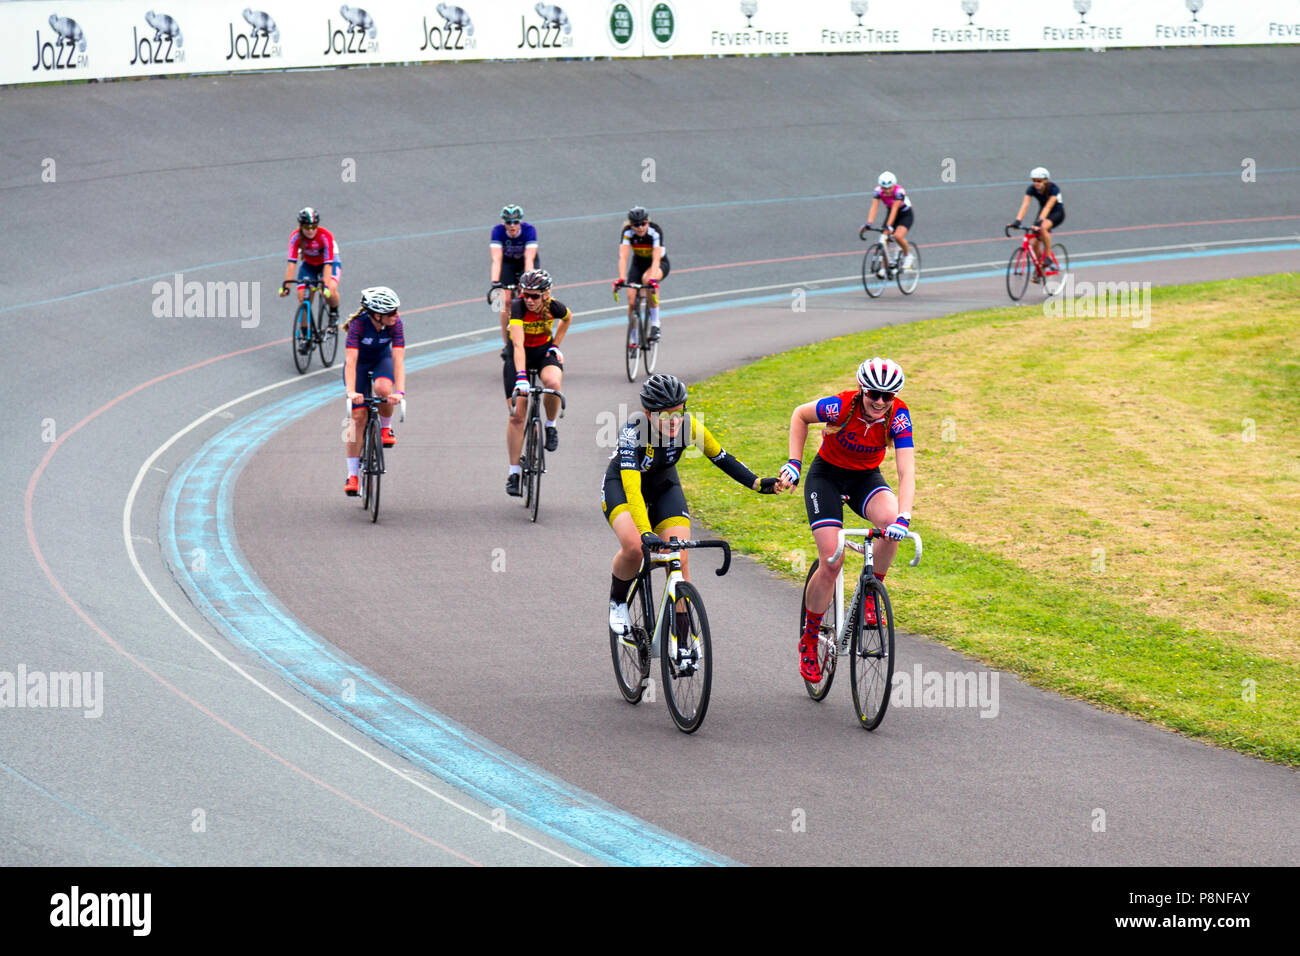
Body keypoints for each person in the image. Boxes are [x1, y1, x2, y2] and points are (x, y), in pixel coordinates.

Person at [605, 373, 780, 636]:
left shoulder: (689, 426)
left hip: (664, 486)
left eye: (679, 413)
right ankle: (618, 601)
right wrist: (645, 531)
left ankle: (682, 645)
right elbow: (633, 490)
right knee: (634, 548)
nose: (674, 422)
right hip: (623, 487)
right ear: (648, 413)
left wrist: (756, 483)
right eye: (666, 416)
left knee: (679, 556)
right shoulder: (633, 433)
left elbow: (721, 458)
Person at [777, 357, 916, 683]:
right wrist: (794, 463)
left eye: (888, 396)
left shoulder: (898, 416)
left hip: (865, 478)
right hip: (826, 478)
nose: (880, 402)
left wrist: (905, 517)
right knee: (832, 561)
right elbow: (800, 414)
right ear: (861, 389)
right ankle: (810, 639)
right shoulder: (839, 407)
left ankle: (872, 591)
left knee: (890, 522)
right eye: (873, 394)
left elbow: (906, 469)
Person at [504, 270, 569, 496]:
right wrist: (521, 377)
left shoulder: (554, 307)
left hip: (543, 352)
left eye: (535, 296)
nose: (529, 300)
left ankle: (550, 427)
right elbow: (518, 345)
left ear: (546, 294)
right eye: (526, 295)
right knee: (517, 415)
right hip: (519, 357)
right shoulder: (517, 307)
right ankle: (513, 473)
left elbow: (568, 318)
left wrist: (556, 345)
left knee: (552, 382)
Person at [341, 287, 405, 496]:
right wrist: (351, 391)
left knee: (383, 389)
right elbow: (351, 361)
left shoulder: (396, 325)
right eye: (391, 313)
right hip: (359, 365)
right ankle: (352, 476)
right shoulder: (358, 325)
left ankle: (386, 428)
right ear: (377, 315)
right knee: (357, 417)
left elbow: (398, 360)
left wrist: (400, 392)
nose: (396, 316)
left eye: (396, 311)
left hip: (381, 360)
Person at [613, 206, 669, 345]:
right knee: (632, 301)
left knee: (647, 280)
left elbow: (656, 259)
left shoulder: (655, 231)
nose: (640, 228)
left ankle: (655, 324)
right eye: (636, 225)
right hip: (638, 264)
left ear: (647, 222)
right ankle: (634, 339)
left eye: (643, 223)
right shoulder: (627, 232)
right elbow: (623, 257)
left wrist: (652, 280)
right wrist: (621, 278)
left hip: (659, 263)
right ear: (631, 225)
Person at [488, 204, 540, 349]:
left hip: (525, 261)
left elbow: (529, 258)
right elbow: (496, 259)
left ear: (520, 222)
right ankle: (506, 343)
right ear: (503, 222)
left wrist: (528, 282)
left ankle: (535, 333)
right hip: (508, 262)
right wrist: (495, 283)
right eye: (508, 222)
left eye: (516, 222)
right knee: (504, 302)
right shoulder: (497, 231)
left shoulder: (529, 230)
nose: (512, 226)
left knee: (532, 297)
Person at [279, 206, 341, 322]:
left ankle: (334, 311)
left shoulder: (325, 236)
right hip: (309, 265)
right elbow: (291, 263)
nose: (311, 230)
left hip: (327, 264)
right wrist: (286, 287)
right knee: (303, 299)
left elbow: (328, 264)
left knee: (329, 291)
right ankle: (304, 334)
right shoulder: (295, 237)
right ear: (301, 226)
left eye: (314, 226)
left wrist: (325, 285)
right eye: (307, 227)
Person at [1008, 167, 1065, 279]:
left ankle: (1048, 257)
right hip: (1042, 213)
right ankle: (1041, 268)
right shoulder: (1031, 189)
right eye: (1034, 180)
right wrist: (1018, 220)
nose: (1036, 183)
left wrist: (1039, 222)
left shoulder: (1054, 189)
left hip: (1056, 213)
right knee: (1034, 245)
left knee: (1043, 228)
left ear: (1046, 180)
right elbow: (1025, 205)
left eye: (1039, 181)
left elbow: (1048, 206)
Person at [861, 172, 915, 269]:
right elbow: (874, 207)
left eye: (890, 188)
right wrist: (868, 223)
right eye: (884, 188)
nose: (887, 191)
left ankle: (908, 256)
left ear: (894, 185)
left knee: (898, 236)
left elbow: (895, 208)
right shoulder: (877, 191)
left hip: (904, 214)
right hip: (891, 213)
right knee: (883, 239)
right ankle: (884, 267)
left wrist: (889, 226)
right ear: (880, 187)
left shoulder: (899, 192)